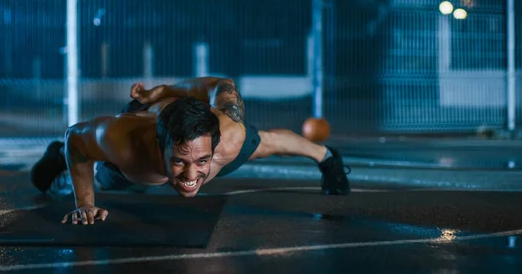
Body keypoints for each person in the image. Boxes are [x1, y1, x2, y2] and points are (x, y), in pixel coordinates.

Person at [30, 77, 351, 225]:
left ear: (214, 146)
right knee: (101, 180)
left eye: (201, 161)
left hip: (211, 144)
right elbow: (75, 136)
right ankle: (55, 156)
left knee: (266, 143)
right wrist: (85, 204)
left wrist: (167, 88)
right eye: (179, 161)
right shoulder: (123, 141)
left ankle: (327, 156)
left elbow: (218, 85)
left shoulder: (230, 134)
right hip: (136, 161)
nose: (191, 176)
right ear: (161, 146)